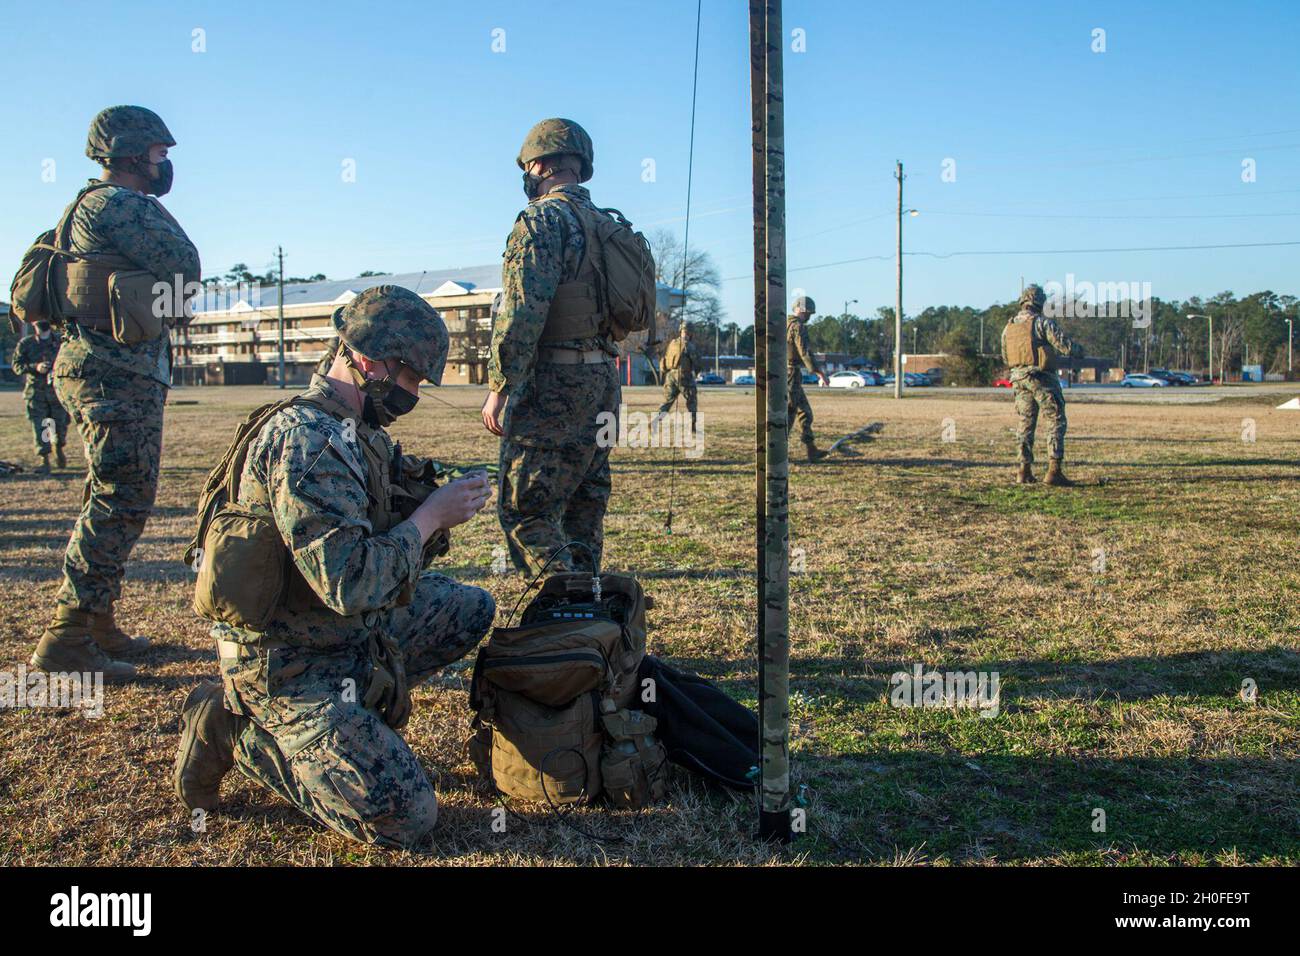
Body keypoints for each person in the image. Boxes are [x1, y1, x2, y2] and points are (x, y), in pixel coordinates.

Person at [173, 285, 496, 850]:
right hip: (287, 663)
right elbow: (349, 581)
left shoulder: (357, 433)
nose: (413, 394)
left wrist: (434, 499)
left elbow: (387, 521)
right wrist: (429, 519)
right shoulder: (310, 442)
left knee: (471, 608)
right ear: (370, 361)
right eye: (411, 378)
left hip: (341, 636)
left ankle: (358, 706)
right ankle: (239, 728)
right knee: (405, 817)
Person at [29, 105, 201, 680]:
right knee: (120, 498)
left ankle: (96, 622)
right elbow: (186, 267)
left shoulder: (83, 206)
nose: (165, 164)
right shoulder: (120, 204)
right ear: (132, 154)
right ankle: (67, 640)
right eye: (159, 153)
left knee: (110, 494)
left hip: (95, 367)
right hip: (114, 372)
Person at [481, 118, 620, 576]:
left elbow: (522, 311)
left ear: (538, 164)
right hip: (603, 382)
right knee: (584, 508)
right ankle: (591, 622)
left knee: (527, 512)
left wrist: (500, 385)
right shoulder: (606, 225)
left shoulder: (541, 220)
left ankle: (564, 619)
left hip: (554, 385)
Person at [1000, 283, 1083, 486]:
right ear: (1040, 302)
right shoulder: (1042, 323)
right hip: (1041, 378)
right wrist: (1079, 351)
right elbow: (1064, 345)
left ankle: (1023, 470)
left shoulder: (1009, 326)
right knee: (1055, 419)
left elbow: (1004, 356)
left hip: (1018, 379)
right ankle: (1054, 471)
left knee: (1025, 424)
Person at [10, 321, 69, 473]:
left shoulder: (61, 341)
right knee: (41, 426)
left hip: (58, 392)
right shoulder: (26, 343)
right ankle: (45, 459)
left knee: (60, 425)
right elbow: (17, 365)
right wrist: (34, 367)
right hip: (37, 392)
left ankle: (59, 446)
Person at [788, 295, 829, 462]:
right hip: (791, 374)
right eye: (809, 313)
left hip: (784, 373)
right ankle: (777, 453)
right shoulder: (798, 326)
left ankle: (811, 448)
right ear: (802, 310)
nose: (810, 317)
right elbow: (804, 351)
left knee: (805, 412)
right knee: (788, 414)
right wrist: (818, 372)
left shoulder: (782, 323)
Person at [656, 322, 701, 433]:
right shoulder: (689, 345)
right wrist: (697, 371)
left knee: (667, 401)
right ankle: (693, 425)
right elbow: (696, 362)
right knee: (692, 401)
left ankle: (656, 421)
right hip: (684, 376)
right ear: (690, 332)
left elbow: (665, 359)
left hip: (670, 376)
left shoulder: (672, 343)